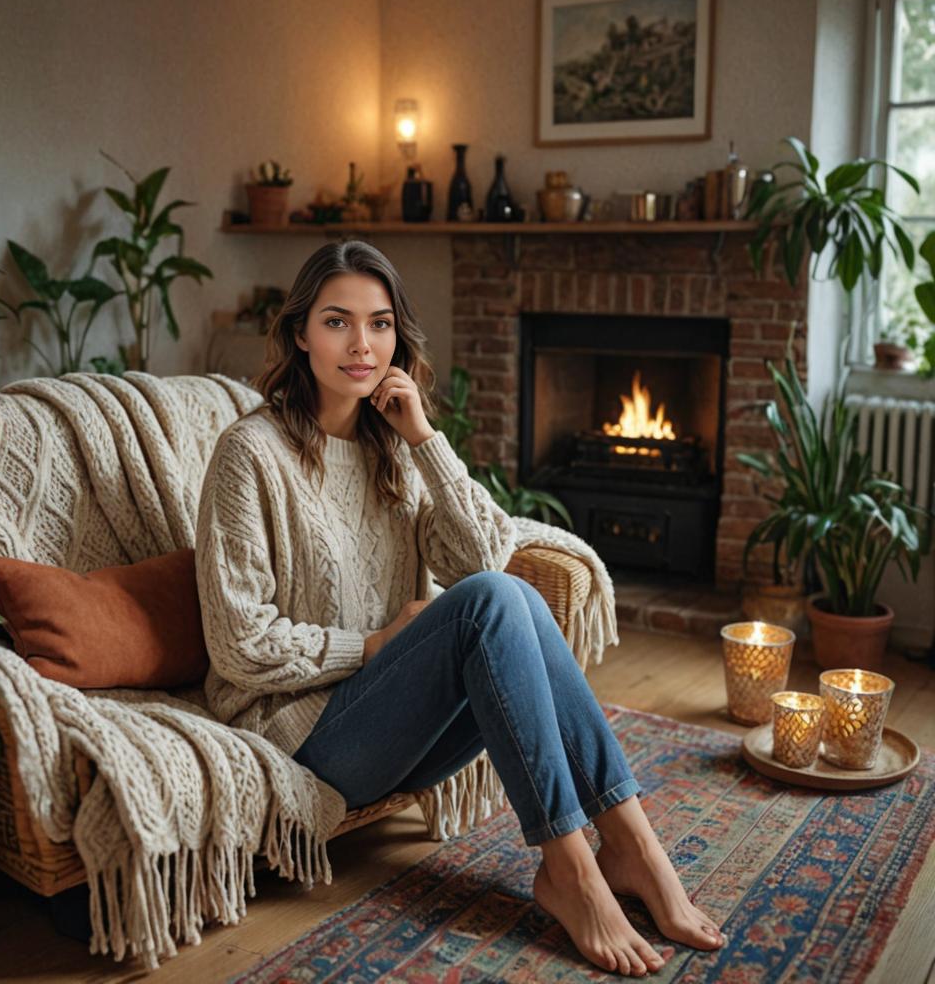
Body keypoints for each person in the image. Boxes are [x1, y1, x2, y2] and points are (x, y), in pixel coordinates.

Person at [194, 240, 727, 977]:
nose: (362, 345)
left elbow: (484, 556)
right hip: (303, 733)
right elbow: (239, 644)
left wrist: (423, 438)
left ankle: (632, 846)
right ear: (298, 334)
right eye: (337, 322)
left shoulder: (394, 447)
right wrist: (376, 647)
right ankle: (571, 871)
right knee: (487, 606)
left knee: (507, 599)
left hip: (394, 726)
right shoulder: (249, 454)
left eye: (379, 324)